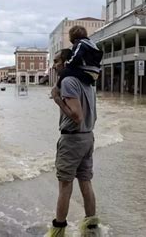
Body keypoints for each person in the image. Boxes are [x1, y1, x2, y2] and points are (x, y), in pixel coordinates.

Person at [46, 49, 99, 237]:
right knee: (86, 182)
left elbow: (76, 115)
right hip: (88, 137)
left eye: (56, 61)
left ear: (67, 61)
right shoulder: (88, 82)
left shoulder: (68, 81)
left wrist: (58, 100)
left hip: (72, 139)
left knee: (65, 186)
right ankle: (91, 228)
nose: (54, 65)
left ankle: (58, 231)